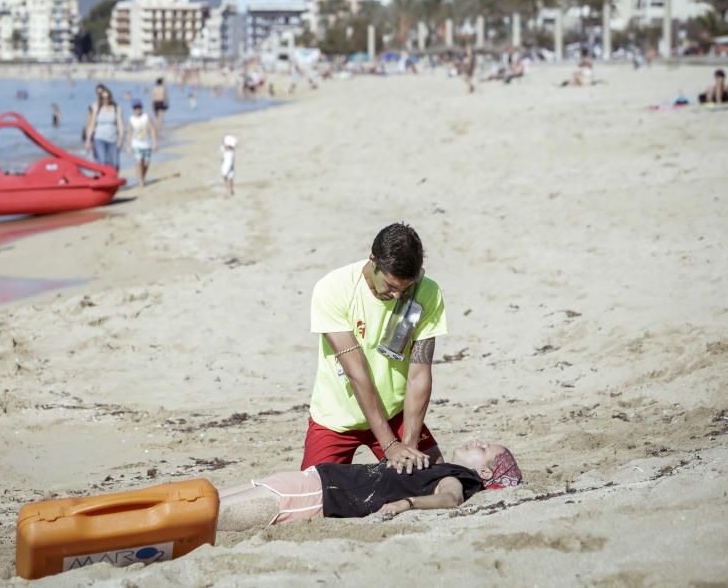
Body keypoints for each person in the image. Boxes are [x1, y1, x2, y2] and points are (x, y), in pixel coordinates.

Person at [302, 223, 448, 473]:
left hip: (396, 414)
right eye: (391, 287)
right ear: (373, 260)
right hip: (337, 419)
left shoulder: (427, 291)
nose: (397, 296)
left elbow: (419, 374)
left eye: (405, 289)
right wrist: (390, 444)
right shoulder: (332, 289)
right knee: (315, 496)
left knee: (433, 477)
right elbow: (356, 373)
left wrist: (408, 446)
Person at [217, 440, 522, 530]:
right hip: (311, 480)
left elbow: (451, 499)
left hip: (313, 498)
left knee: (209, 514)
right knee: (208, 498)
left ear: (483, 472)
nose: (478, 441)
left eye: (485, 449)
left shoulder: (455, 478)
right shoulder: (440, 468)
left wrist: (408, 503)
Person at [84, 84, 124, 172]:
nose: (106, 100)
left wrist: (121, 138)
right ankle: (104, 181)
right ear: (101, 98)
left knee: (115, 163)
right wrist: (88, 139)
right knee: (102, 161)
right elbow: (91, 124)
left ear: (110, 97)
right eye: (103, 98)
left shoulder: (116, 108)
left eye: (108, 97)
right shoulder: (96, 107)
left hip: (113, 139)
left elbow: (120, 123)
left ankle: (113, 179)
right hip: (99, 138)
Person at [126, 99, 157, 187]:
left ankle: (142, 177)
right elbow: (129, 133)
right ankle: (140, 181)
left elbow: (152, 129)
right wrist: (128, 146)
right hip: (136, 144)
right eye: (135, 107)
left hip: (147, 144)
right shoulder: (131, 119)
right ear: (133, 109)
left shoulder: (146, 117)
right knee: (139, 162)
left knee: (146, 163)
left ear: (141, 107)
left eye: (139, 107)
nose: (137, 109)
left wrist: (154, 142)